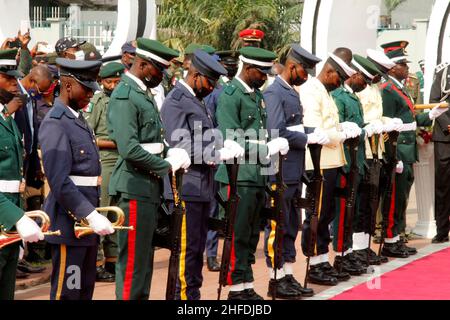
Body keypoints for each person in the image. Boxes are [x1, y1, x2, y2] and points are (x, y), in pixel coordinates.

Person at [107, 38, 191, 300]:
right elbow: (129, 148)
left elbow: (153, 140)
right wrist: (165, 165)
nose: (162, 75)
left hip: (146, 187)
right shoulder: (125, 95)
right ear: (142, 64)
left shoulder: (142, 93)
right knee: (133, 262)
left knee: (144, 260)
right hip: (133, 188)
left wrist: (170, 151)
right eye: (159, 69)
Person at [161, 49, 243, 300]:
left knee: (196, 251)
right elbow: (179, 143)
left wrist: (222, 144)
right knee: (187, 250)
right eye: (210, 81)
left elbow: (207, 135)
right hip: (186, 187)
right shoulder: (176, 100)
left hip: (202, 187)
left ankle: (191, 296)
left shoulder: (196, 100)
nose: (213, 87)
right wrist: (217, 154)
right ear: (195, 75)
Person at [215, 46, 289, 300]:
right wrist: (266, 147)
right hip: (238, 176)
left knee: (251, 235)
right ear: (248, 69)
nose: (266, 76)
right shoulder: (231, 95)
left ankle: (246, 284)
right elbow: (230, 138)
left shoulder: (257, 96)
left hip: (256, 175)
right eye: (262, 72)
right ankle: (235, 289)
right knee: (238, 233)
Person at [39, 58, 115, 300]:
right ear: (69, 85)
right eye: (87, 88)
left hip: (85, 223)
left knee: (84, 291)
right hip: (69, 223)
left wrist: (91, 215)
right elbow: (59, 181)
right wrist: (89, 214)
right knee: (68, 293)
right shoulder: (55, 122)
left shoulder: (78, 119)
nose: (91, 94)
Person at [263, 44, 324, 299]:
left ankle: (287, 273)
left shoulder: (291, 91)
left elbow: (295, 127)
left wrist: (311, 132)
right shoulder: (275, 92)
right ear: (292, 66)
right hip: (280, 170)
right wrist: (305, 138)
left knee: (291, 224)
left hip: (293, 170)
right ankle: (275, 279)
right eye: (304, 70)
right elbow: (276, 131)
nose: (307, 75)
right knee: (278, 224)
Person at [300, 52, 361, 286]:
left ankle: (323, 259)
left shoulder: (325, 91)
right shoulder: (310, 91)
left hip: (332, 161)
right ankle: (314, 262)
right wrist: (341, 133)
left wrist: (339, 128)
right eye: (339, 78)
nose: (340, 83)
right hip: (319, 163)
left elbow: (329, 126)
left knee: (327, 215)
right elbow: (316, 131)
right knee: (317, 214)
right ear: (328, 72)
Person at [380, 47, 448, 257]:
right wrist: (394, 154)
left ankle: (398, 238)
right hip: (399, 149)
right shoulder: (388, 90)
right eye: (403, 65)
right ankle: (391, 240)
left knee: (401, 199)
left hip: (408, 151)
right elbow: (387, 124)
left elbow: (412, 119)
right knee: (394, 199)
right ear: (392, 68)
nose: (407, 68)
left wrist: (431, 114)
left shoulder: (401, 89)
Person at [0, 48, 44, 299]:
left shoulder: (6, 118)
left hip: (10, 216)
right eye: (8, 79)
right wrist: (17, 216)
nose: (16, 85)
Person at [331, 50, 371, 276]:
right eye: (361, 78)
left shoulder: (351, 96)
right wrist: (359, 131)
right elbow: (341, 129)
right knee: (342, 213)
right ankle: (340, 255)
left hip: (357, 161)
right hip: (346, 161)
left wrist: (365, 129)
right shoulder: (339, 96)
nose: (364, 83)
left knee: (352, 211)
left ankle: (347, 252)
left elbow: (357, 127)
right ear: (352, 75)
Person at [84, 62, 125, 282]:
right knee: (102, 212)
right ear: (102, 82)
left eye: (117, 82)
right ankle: (97, 263)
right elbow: (89, 136)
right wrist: (116, 143)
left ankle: (113, 261)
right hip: (106, 163)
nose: (113, 86)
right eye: (110, 82)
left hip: (123, 162)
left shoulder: (124, 99)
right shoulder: (97, 102)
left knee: (117, 213)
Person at [203, 49, 239, 272]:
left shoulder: (217, 90)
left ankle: (211, 254)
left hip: (212, 154)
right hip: (214, 155)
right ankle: (211, 254)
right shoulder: (218, 92)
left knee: (213, 208)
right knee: (213, 208)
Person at [429, 61, 450, 243]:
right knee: (443, 185)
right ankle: (442, 230)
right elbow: (434, 101)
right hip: (445, 136)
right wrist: (448, 125)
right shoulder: (443, 73)